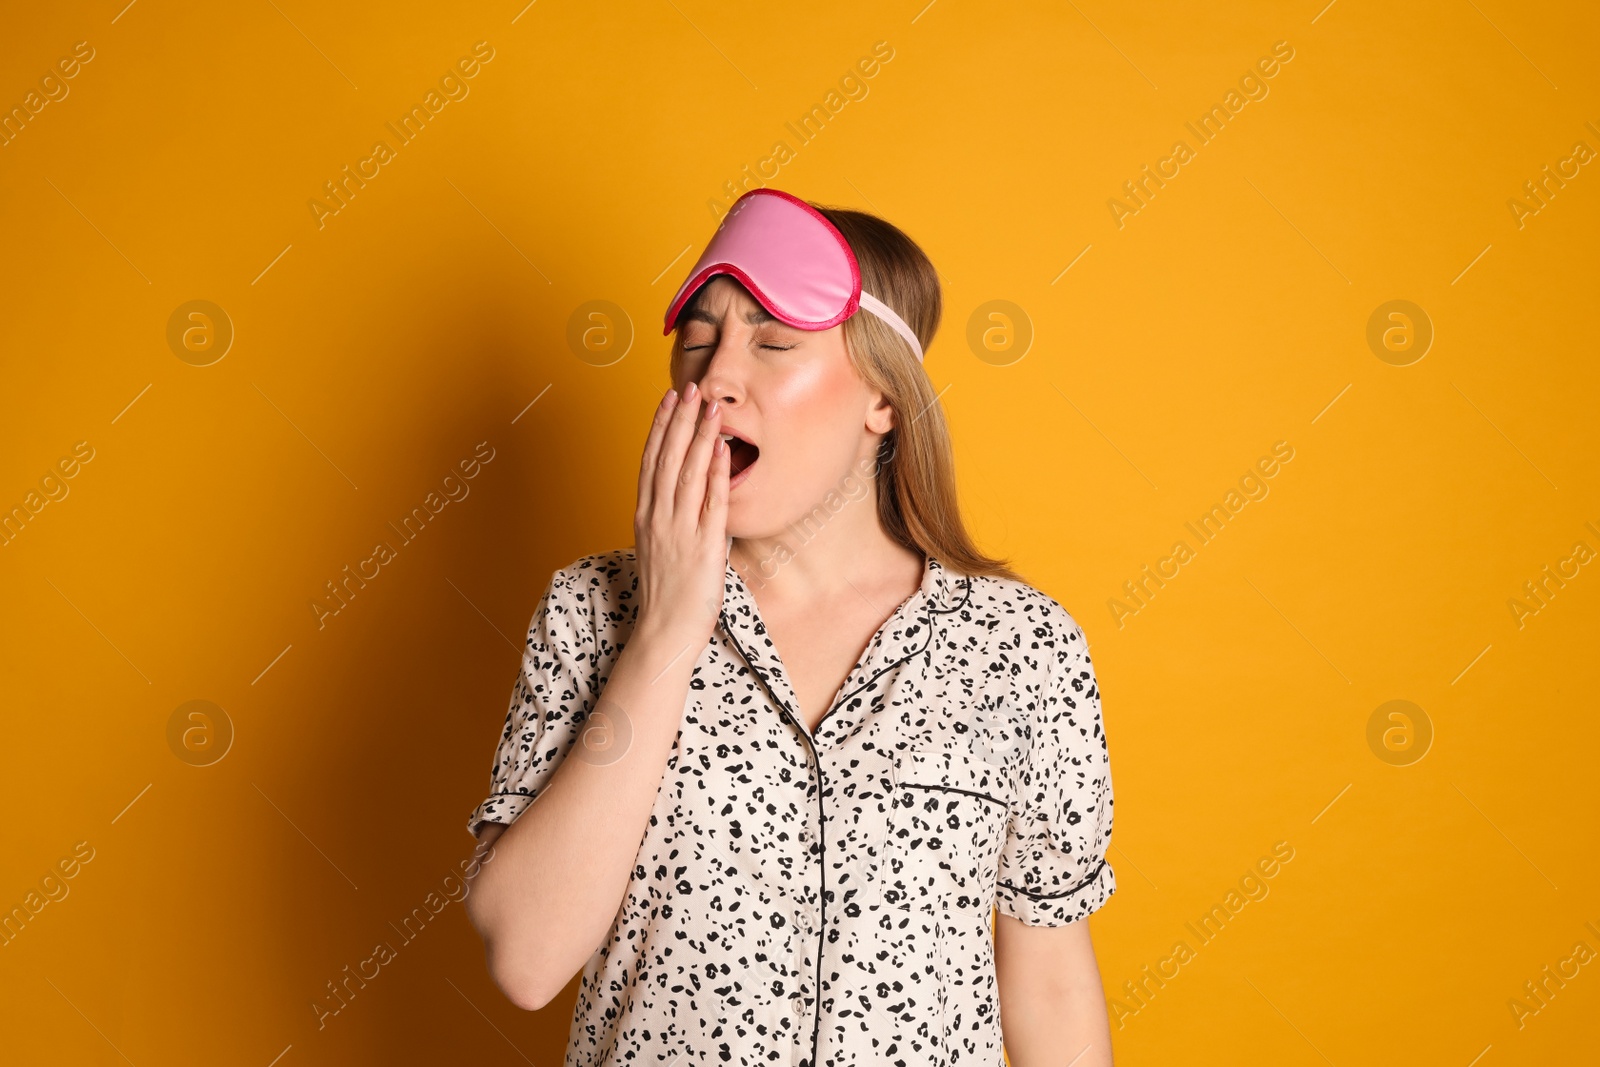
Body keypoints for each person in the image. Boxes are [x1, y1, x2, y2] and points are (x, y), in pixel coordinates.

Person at [463, 188, 1117, 1066]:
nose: (716, 376)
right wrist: (664, 631)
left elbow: (1050, 982)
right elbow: (529, 958)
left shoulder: (1022, 649)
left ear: (883, 400)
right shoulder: (590, 611)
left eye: (773, 343)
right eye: (698, 338)